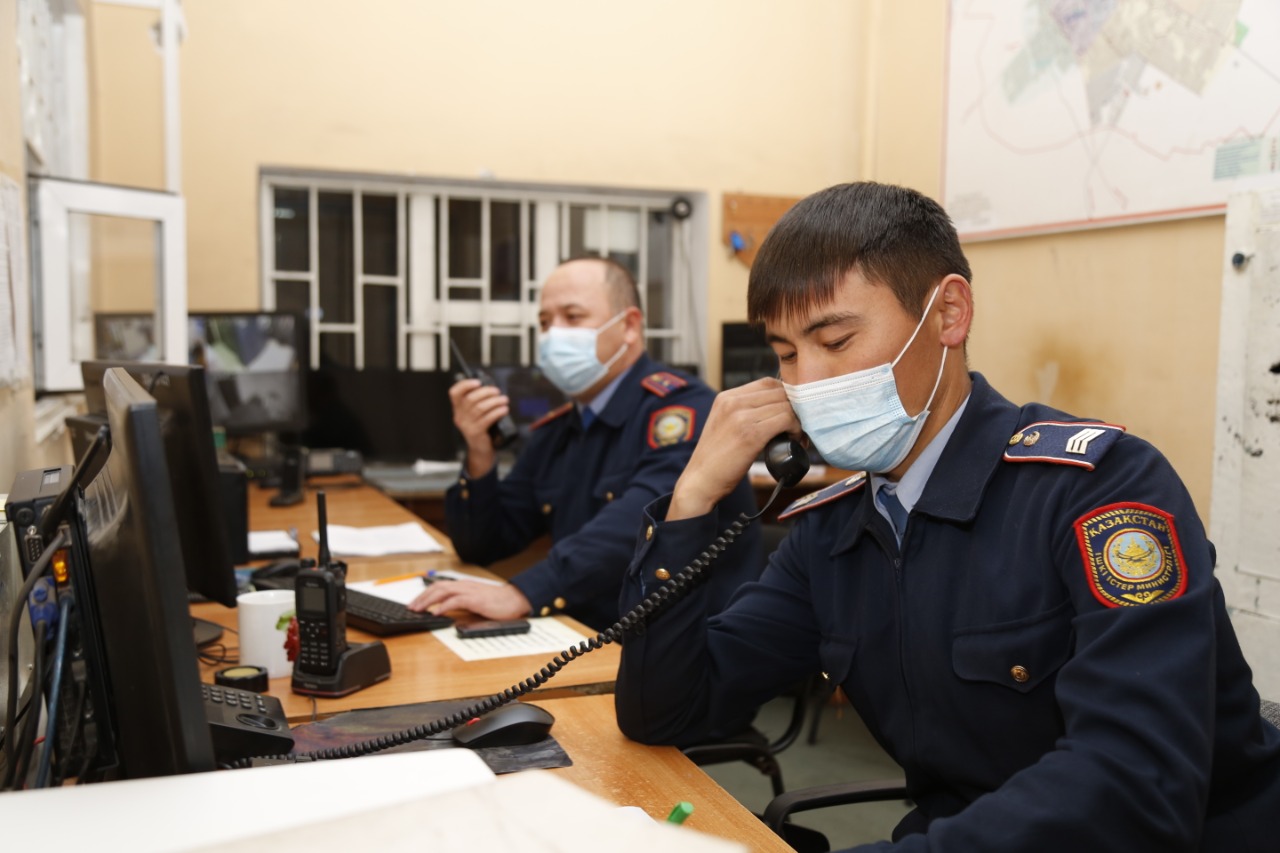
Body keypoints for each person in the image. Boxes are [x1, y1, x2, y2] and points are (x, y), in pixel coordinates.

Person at [613, 182, 1280, 851]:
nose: (805, 382)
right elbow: (666, 710)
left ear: (948, 314)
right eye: (786, 355)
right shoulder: (834, 527)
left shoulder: (1101, 490)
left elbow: (1134, 786)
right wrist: (692, 499)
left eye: (835, 340)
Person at [410, 256, 762, 630]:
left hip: (683, 638)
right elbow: (483, 544)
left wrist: (522, 593)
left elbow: (640, 523)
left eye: (572, 317)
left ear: (629, 326)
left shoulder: (686, 411)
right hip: (584, 630)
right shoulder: (559, 429)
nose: (553, 335)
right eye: (545, 323)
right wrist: (479, 451)